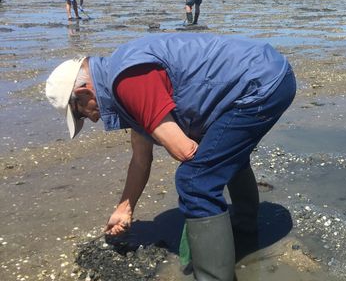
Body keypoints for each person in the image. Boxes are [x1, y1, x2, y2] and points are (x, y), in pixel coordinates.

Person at [45, 33, 296, 281]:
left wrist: (198, 198)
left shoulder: (128, 82)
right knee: (218, 155)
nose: (92, 119)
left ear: (84, 92)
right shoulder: (119, 76)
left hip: (262, 83)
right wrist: (124, 207)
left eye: (80, 114)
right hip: (266, 71)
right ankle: (243, 228)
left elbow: (185, 151)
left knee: (195, 181)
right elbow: (141, 159)